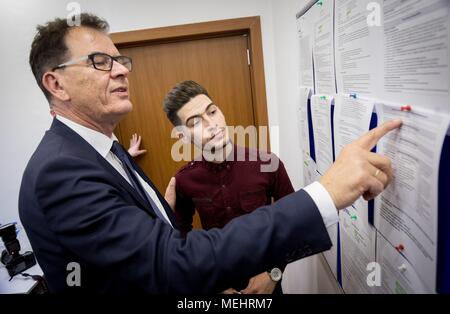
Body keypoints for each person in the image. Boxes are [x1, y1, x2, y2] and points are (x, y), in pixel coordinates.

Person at [19, 13, 401, 294]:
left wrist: (274, 276)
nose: (121, 71)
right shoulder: (65, 170)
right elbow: (175, 252)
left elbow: (161, 246)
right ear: (56, 83)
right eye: (101, 61)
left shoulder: (267, 164)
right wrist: (326, 192)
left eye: (121, 61)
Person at [163, 80, 294, 294]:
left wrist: (273, 273)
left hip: (269, 285)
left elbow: (293, 224)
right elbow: (180, 241)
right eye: (195, 122)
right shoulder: (184, 180)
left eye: (212, 112)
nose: (211, 124)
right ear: (182, 137)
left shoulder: (268, 164)